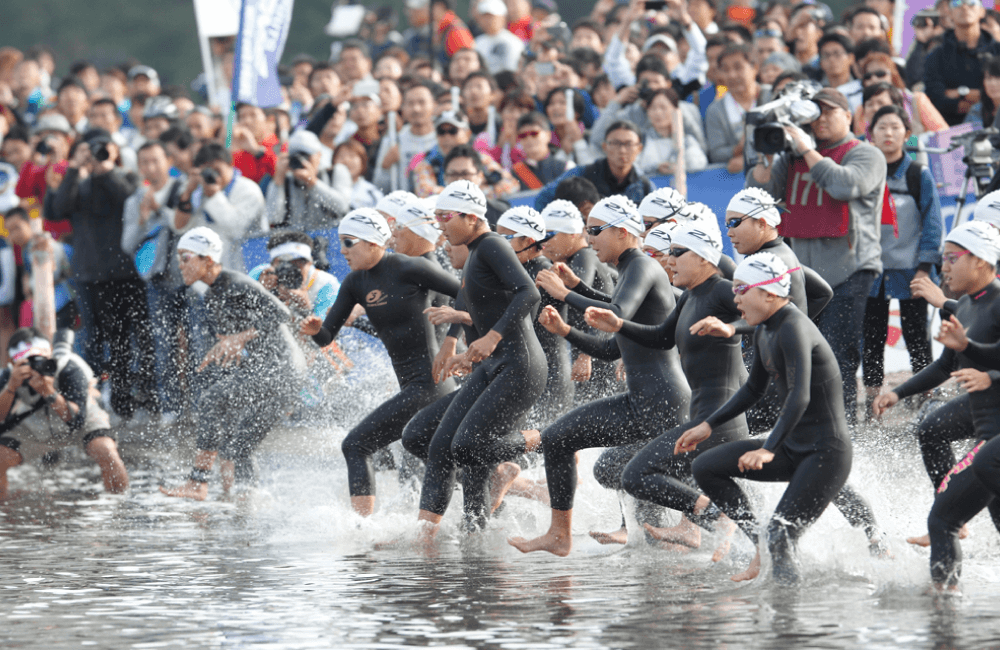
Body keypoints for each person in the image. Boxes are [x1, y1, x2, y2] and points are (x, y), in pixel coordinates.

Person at [509, 195, 690, 556]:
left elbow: (617, 311)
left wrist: (566, 294)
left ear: (623, 232)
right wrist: (568, 325)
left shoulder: (641, 265)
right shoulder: (631, 269)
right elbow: (612, 347)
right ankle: (564, 535)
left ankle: (709, 518)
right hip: (646, 400)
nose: (589, 238)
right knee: (571, 444)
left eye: (595, 230)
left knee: (564, 440)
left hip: (660, 401)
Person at [681, 252, 853, 584]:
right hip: (794, 446)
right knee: (705, 466)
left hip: (825, 452)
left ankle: (787, 622)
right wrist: (708, 424)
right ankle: (759, 543)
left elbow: (799, 395)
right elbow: (751, 390)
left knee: (781, 536)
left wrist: (767, 448)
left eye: (742, 289)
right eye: (735, 289)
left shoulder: (793, 328)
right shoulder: (765, 329)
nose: (735, 297)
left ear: (769, 293)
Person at [586, 224, 746, 556]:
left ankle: (716, 518)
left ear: (703, 258)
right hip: (703, 419)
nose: (667, 261)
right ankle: (723, 534)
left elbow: (775, 312)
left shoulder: (721, 291)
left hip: (718, 423)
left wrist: (732, 326)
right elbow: (660, 337)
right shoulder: (691, 295)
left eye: (676, 253)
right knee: (628, 470)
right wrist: (619, 325)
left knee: (636, 473)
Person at [300, 209, 461, 516]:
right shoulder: (353, 283)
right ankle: (506, 486)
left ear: (374, 243)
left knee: (356, 445)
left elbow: (467, 294)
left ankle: (364, 529)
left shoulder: (408, 267)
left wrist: (452, 339)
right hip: (414, 386)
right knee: (438, 457)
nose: (343, 251)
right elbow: (326, 336)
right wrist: (313, 331)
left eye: (349, 243)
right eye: (341, 243)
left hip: (430, 384)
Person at [413, 180, 546, 536]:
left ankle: (540, 437)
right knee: (445, 445)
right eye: (436, 216)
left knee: (467, 445)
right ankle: (465, 532)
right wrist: (456, 345)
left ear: (472, 217)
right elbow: (468, 296)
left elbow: (529, 293)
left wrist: (492, 336)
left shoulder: (492, 245)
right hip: (495, 365)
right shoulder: (476, 252)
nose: (439, 223)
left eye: (444, 216)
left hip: (520, 364)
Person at [746, 87, 886, 426]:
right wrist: (766, 157)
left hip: (851, 270)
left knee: (838, 357)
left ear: (849, 115)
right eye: (814, 113)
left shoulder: (865, 153)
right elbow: (761, 198)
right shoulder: (793, 158)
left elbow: (844, 185)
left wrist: (806, 148)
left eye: (828, 112)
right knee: (795, 354)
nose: (819, 119)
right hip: (803, 273)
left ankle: (842, 430)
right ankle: (798, 428)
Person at [872, 222, 1000, 591]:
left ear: (979, 260)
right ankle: (946, 607)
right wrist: (899, 393)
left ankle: (943, 614)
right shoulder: (965, 309)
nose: (943, 266)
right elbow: (947, 365)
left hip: (994, 443)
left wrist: (990, 375)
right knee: (931, 431)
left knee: (942, 518)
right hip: (986, 438)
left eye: (951, 258)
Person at [161, 228, 305, 499]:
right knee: (238, 445)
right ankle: (243, 504)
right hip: (272, 371)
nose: (180, 265)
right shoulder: (213, 295)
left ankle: (198, 482)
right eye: (178, 258)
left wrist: (241, 337)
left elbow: (283, 313)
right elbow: (234, 341)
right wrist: (225, 347)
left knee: (210, 400)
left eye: (186, 257)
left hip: (281, 368)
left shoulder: (235, 282)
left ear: (208, 259)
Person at [51, 128, 158, 420]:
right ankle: (94, 401)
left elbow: (127, 199)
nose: (97, 155)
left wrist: (106, 169)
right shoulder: (77, 184)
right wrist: (75, 168)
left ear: (115, 150)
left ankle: (134, 399)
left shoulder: (127, 178)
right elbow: (58, 209)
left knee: (131, 338)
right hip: (89, 275)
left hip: (126, 274)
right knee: (95, 340)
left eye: (102, 148)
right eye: (89, 149)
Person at [861, 105, 943, 415]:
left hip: (911, 270)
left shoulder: (917, 174)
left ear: (907, 135)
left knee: (916, 335)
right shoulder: (865, 172)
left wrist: (925, 266)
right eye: (882, 127)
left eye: (896, 127)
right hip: (873, 271)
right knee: (872, 337)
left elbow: (933, 222)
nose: (889, 133)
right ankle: (872, 402)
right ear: (871, 134)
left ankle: (924, 395)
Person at [0, 329, 128, 499]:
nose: (35, 367)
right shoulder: (9, 376)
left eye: (40, 360)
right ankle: (4, 509)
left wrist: (48, 391)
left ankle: (119, 503)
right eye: (27, 362)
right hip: (33, 425)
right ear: (13, 362)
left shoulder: (69, 367)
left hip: (80, 417)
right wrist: (11, 386)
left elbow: (77, 420)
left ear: (51, 354)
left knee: (106, 450)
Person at [496, 206, 573, 427]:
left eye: (505, 238)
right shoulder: (520, 269)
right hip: (533, 370)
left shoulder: (543, 272)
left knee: (544, 447)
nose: (498, 245)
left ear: (528, 240)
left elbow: (519, 319)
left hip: (551, 373)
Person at [539, 198, 619, 405]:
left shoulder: (585, 256)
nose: (543, 242)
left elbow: (597, 310)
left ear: (574, 233)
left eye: (550, 235)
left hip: (598, 355)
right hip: (594, 351)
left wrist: (585, 356)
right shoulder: (574, 260)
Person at [174, 142, 266, 271]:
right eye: (208, 171)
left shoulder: (248, 190)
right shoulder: (199, 192)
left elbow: (236, 230)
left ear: (230, 165)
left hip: (246, 268)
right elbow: (179, 227)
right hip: (211, 272)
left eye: (217, 170)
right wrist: (188, 193)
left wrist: (214, 195)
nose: (214, 176)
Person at [534, 121, 654, 210]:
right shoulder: (582, 175)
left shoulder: (644, 186)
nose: (622, 150)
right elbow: (542, 198)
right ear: (604, 147)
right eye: (615, 143)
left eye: (628, 144)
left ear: (639, 148)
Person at [924, 0, 1000, 126]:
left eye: (971, 2)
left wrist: (959, 93)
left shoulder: (997, 51)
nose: (964, 7)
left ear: (982, 11)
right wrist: (984, 98)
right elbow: (936, 99)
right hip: (947, 129)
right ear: (949, 13)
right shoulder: (936, 55)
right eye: (957, 3)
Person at [265, 129, 350, 231]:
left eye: (306, 156)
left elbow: (342, 208)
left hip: (331, 239)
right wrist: (278, 180)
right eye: (297, 157)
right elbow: (273, 218)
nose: (302, 162)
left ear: (319, 155)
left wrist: (313, 183)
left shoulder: (335, 172)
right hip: (296, 241)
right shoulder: (284, 180)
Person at [705, 43, 764, 173]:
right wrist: (738, 149)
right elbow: (716, 153)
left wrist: (752, 159)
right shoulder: (715, 111)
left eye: (738, 68)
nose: (732, 75)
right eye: (725, 70)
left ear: (755, 68)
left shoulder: (772, 97)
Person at [374, 81, 438, 193]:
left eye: (422, 102)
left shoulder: (446, 135)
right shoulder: (393, 140)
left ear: (434, 105)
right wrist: (385, 166)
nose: (416, 108)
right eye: (410, 103)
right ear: (403, 108)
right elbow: (379, 188)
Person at [636, 88, 707, 177]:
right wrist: (656, 168)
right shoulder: (640, 140)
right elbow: (632, 168)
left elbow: (699, 163)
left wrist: (678, 166)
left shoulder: (687, 140)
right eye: (653, 108)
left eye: (663, 107)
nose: (658, 112)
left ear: (675, 110)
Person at [510, 112, 573, 192]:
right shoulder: (513, 174)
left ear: (548, 135)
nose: (529, 139)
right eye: (523, 136)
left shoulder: (566, 168)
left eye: (534, 133)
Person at [474, 0, 525, 74]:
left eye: (491, 17)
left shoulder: (514, 42)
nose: (487, 20)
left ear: (502, 18)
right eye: (484, 17)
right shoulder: (477, 42)